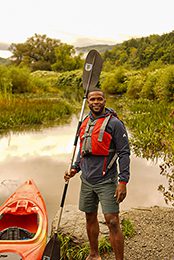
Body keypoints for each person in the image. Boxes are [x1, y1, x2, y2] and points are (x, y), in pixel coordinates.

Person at [64, 88, 130, 260]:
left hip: (106, 180)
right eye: (92, 99)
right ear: (88, 101)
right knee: (90, 216)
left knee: (113, 221)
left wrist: (123, 181)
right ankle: (94, 254)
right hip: (86, 180)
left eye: (99, 99)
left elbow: (124, 153)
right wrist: (74, 168)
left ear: (105, 100)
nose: (96, 102)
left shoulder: (115, 124)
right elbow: (83, 150)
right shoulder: (85, 122)